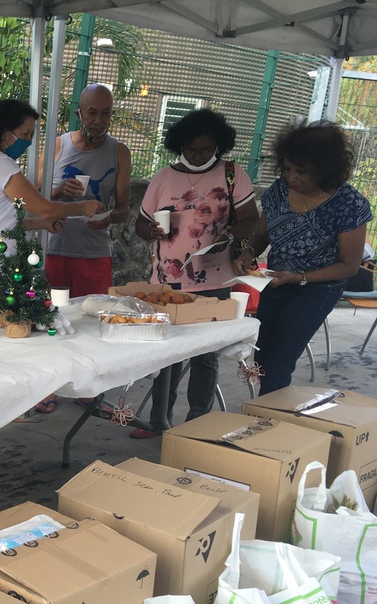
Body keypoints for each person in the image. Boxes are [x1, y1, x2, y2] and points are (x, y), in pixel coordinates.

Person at [0, 98, 99, 478]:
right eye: (25, 134)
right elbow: (43, 207)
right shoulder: (0, 164)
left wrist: (41, 225)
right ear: (4, 132)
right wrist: (81, 208)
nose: (28, 142)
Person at [134, 109, 260, 438]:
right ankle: (158, 422)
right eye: (190, 150)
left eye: (206, 150)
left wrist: (228, 235)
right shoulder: (164, 177)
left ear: (219, 145)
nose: (198, 156)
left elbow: (251, 219)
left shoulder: (232, 174)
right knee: (167, 355)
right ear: (179, 146)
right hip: (166, 281)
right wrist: (150, 231)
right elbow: (140, 224)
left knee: (205, 356)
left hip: (214, 280)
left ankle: (196, 425)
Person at [234, 121, 371, 395]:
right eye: (286, 169)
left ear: (326, 169)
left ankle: (266, 416)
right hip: (276, 282)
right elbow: (262, 235)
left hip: (317, 289)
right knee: (262, 359)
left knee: (278, 364)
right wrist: (248, 252)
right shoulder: (279, 191)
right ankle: (264, 411)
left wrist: (301, 277)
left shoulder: (349, 203)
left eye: (301, 171)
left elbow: (349, 265)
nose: (291, 177)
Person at [45, 83, 132, 297]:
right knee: (51, 313)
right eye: (92, 113)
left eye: (105, 113)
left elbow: (124, 209)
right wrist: (60, 191)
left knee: (92, 314)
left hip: (95, 254)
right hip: (54, 250)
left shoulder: (119, 152)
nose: (99, 121)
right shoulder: (58, 146)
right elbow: (33, 198)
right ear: (79, 113)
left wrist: (110, 218)